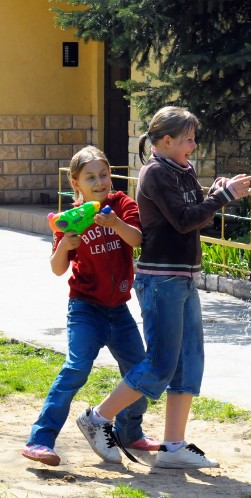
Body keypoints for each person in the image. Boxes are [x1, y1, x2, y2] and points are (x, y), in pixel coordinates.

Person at [75, 106, 251, 469]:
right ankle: (97, 418)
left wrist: (216, 193)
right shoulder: (155, 173)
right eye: (188, 138)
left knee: (189, 363)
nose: (194, 144)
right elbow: (184, 220)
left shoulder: (183, 169)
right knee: (159, 364)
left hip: (185, 276)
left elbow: (196, 213)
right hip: (160, 279)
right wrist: (223, 198)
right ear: (167, 141)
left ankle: (173, 445)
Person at [21, 146, 158, 466]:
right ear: (76, 183)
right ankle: (40, 440)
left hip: (119, 310)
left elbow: (137, 239)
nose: (100, 182)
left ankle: (128, 430)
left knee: (141, 370)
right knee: (76, 367)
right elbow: (57, 269)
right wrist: (64, 245)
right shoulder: (71, 219)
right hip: (84, 309)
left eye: (104, 174)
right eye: (91, 177)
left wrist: (115, 225)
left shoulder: (121, 204)